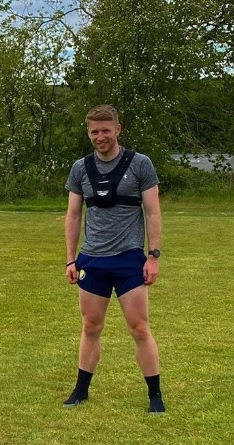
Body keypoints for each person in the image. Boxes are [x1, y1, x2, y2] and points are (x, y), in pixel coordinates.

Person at [63, 104, 165, 413]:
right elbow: (73, 215)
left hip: (128, 259)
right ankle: (80, 390)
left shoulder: (140, 164)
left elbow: (153, 212)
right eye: (94, 131)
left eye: (106, 130)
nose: (100, 137)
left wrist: (153, 256)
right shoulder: (80, 168)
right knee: (91, 326)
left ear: (118, 130)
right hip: (92, 260)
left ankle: (155, 396)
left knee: (139, 328)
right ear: (88, 133)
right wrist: (70, 259)